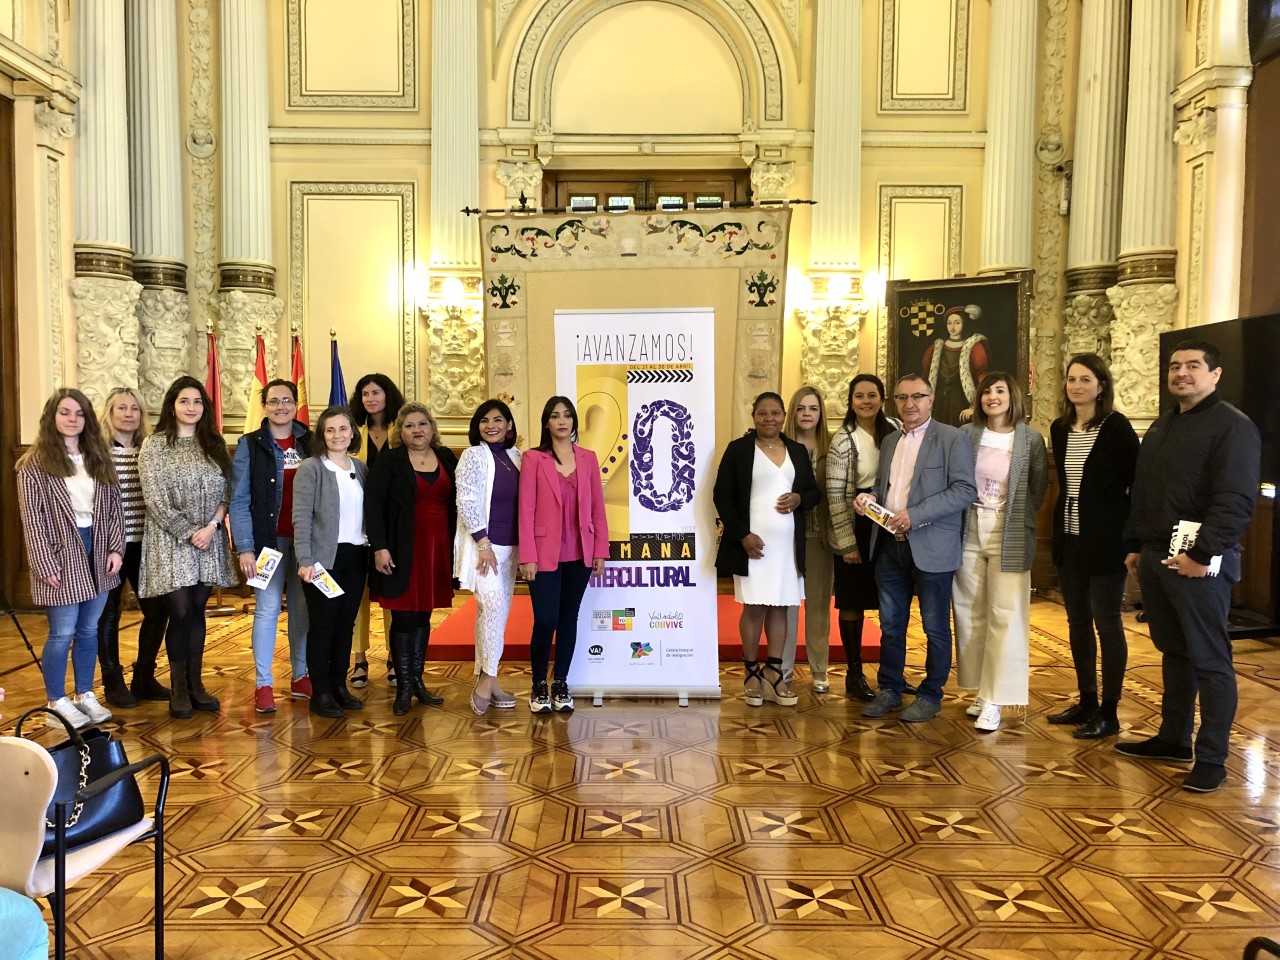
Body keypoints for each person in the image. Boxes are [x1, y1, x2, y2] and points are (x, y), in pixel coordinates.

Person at [1115, 340, 1261, 794]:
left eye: (1193, 366)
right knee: (1175, 653)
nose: (1181, 373)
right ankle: (1174, 739)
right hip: (1157, 555)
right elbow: (1145, 489)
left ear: (1215, 374)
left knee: (1210, 660)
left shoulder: (1233, 427)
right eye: (1175, 366)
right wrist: (1136, 544)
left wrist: (1202, 553)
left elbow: (1235, 500)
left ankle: (1212, 759)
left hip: (1200, 562)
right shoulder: (1164, 424)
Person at [856, 374, 976, 723]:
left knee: (935, 628)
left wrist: (916, 515)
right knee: (891, 626)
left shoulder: (952, 438)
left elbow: (965, 490)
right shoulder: (890, 440)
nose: (909, 404)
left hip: (933, 547)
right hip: (889, 546)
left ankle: (930, 695)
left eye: (917, 396)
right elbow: (886, 488)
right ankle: (890, 689)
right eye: (902, 397)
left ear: (931, 399)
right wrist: (869, 499)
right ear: (895, 402)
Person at [16, 388, 124, 729]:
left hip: (99, 547)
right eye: (65, 412)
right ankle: (56, 701)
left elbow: (114, 509)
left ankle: (84, 694)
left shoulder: (98, 456)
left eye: (79, 413)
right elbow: (33, 519)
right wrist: (44, 563)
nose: (72, 419)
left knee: (89, 629)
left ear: (87, 419)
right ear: (52, 416)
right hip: (61, 549)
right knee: (63, 632)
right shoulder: (34, 464)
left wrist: (116, 548)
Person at [1048, 354, 1139, 739]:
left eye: (1085, 379)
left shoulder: (1116, 427)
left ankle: (1109, 711)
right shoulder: (1059, 428)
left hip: (1106, 541)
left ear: (1101, 385)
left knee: (1107, 622)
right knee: (1078, 622)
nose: (1077, 386)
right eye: (1072, 379)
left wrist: (1133, 541)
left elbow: (1136, 486)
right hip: (1069, 539)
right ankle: (1086, 700)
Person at [138, 375, 238, 719]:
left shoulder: (214, 442)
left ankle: (195, 684)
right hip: (171, 540)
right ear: (172, 406)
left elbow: (228, 491)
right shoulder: (155, 445)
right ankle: (178, 688)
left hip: (209, 537)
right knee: (180, 611)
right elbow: (154, 499)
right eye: (184, 401)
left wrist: (211, 527)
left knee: (197, 610)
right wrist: (190, 532)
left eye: (197, 402)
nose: (191, 407)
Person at [953, 373, 1048, 732]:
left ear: (1013, 396)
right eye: (987, 392)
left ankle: (996, 698)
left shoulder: (1030, 439)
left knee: (1005, 613)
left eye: (1000, 391)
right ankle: (982, 689)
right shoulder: (967, 434)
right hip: (968, 528)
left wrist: (1014, 517)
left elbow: (1037, 489)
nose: (992, 397)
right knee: (970, 611)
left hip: (1009, 530)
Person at [713, 392, 820, 707]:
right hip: (751, 548)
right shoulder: (738, 449)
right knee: (754, 607)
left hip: (787, 547)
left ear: (784, 416)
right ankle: (750, 673)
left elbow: (813, 492)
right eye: (762, 413)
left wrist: (799, 498)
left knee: (780, 607)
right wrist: (742, 535)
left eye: (775, 413)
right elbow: (722, 495)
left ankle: (774, 673)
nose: (769, 418)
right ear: (754, 416)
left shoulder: (797, 451)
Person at [365, 402, 458, 716]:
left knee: (422, 616)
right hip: (400, 548)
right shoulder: (389, 461)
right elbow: (373, 506)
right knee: (403, 617)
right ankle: (403, 686)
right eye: (409, 425)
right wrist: (380, 547)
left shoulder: (446, 457)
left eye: (422, 424)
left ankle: (418, 681)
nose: (417, 430)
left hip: (438, 548)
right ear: (399, 432)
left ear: (432, 428)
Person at [517, 397, 609, 714]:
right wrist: (527, 555)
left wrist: (600, 550)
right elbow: (525, 510)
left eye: (567, 416)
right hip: (543, 553)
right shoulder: (533, 458)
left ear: (573, 422)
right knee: (546, 619)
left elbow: (597, 508)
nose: (562, 421)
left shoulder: (588, 458)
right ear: (546, 422)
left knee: (569, 618)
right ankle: (538, 684)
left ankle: (560, 683)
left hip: (580, 551)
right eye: (555, 416)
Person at [230, 378, 313, 714]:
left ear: (296, 404)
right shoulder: (249, 444)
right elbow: (239, 500)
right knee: (266, 610)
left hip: (304, 543)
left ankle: (300, 675)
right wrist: (245, 548)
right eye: (274, 401)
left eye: (287, 400)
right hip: (266, 542)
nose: (281, 406)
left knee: (302, 610)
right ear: (264, 406)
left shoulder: (310, 442)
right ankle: (263, 684)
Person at [825, 374, 899, 700]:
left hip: (890, 524)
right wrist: (847, 543)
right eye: (859, 396)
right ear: (851, 402)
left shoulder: (896, 429)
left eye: (872, 395)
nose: (866, 401)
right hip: (857, 524)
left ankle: (892, 674)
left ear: (882, 398)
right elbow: (835, 495)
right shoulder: (843, 439)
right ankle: (854, 675)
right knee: (853, 600)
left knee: (891, 601)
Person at [293, 406, 369, 719]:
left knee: (345, 625)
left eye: (343, 429)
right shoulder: (311, 468)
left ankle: (339, 686)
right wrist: (305, 559)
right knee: (323, 626)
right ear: (322, 435)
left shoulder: (360, 467)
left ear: (352, 433)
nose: (337, 435)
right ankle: (321, 691)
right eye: (330, 430)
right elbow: (301, 517)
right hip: (323, 561)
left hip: (356, 556)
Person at [96, 386, 170, 707]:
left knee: (158, 610)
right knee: (108, 614)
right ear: (109, 413)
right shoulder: (96, 452)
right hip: (109, 546)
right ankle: (113, 682)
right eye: (122, 408)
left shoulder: (149, 450)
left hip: (145, 544)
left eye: (134, 408)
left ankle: (144, 677)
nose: (128, 414)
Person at [455, 398, 522, 714]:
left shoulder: (516, 456)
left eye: (498, 420)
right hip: (485, 547)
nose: (491, 425)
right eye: (484, 420)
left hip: (511, 548)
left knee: (496, 613)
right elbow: (466, 501)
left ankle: (491, 680)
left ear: (509, 425)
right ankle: (485, 681)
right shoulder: (473, 456)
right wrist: (483, 543)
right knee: (492, 606)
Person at [348, 373, 406, 689]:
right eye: (365, 394)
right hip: (356, 523)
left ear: (388, 395)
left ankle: (394, 658)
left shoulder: (402, 429)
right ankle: (359, 659)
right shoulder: (352, 431)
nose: (370, 399)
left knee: (390, 591)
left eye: (376, 392)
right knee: (358, 593)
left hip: (392, 524)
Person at [780, 386, 833, 693]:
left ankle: (819, 669)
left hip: (821, 536)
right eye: (800, 408)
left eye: (813, 408)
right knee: (787, 604)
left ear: (821, 412)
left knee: (818, 604)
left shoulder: (832, 446)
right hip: (787, 536)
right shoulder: (779, 446)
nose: (807, 414)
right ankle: (783, 670)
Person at [921, 304, 988, 427]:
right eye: (949, 323)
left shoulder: (973, 347)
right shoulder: (935, 349)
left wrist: (973, 407)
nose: (952, 327)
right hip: (939, 402)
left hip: (961, 402)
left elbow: (983, 381)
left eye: (957, 323)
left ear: (964, 324)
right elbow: (923, 380)